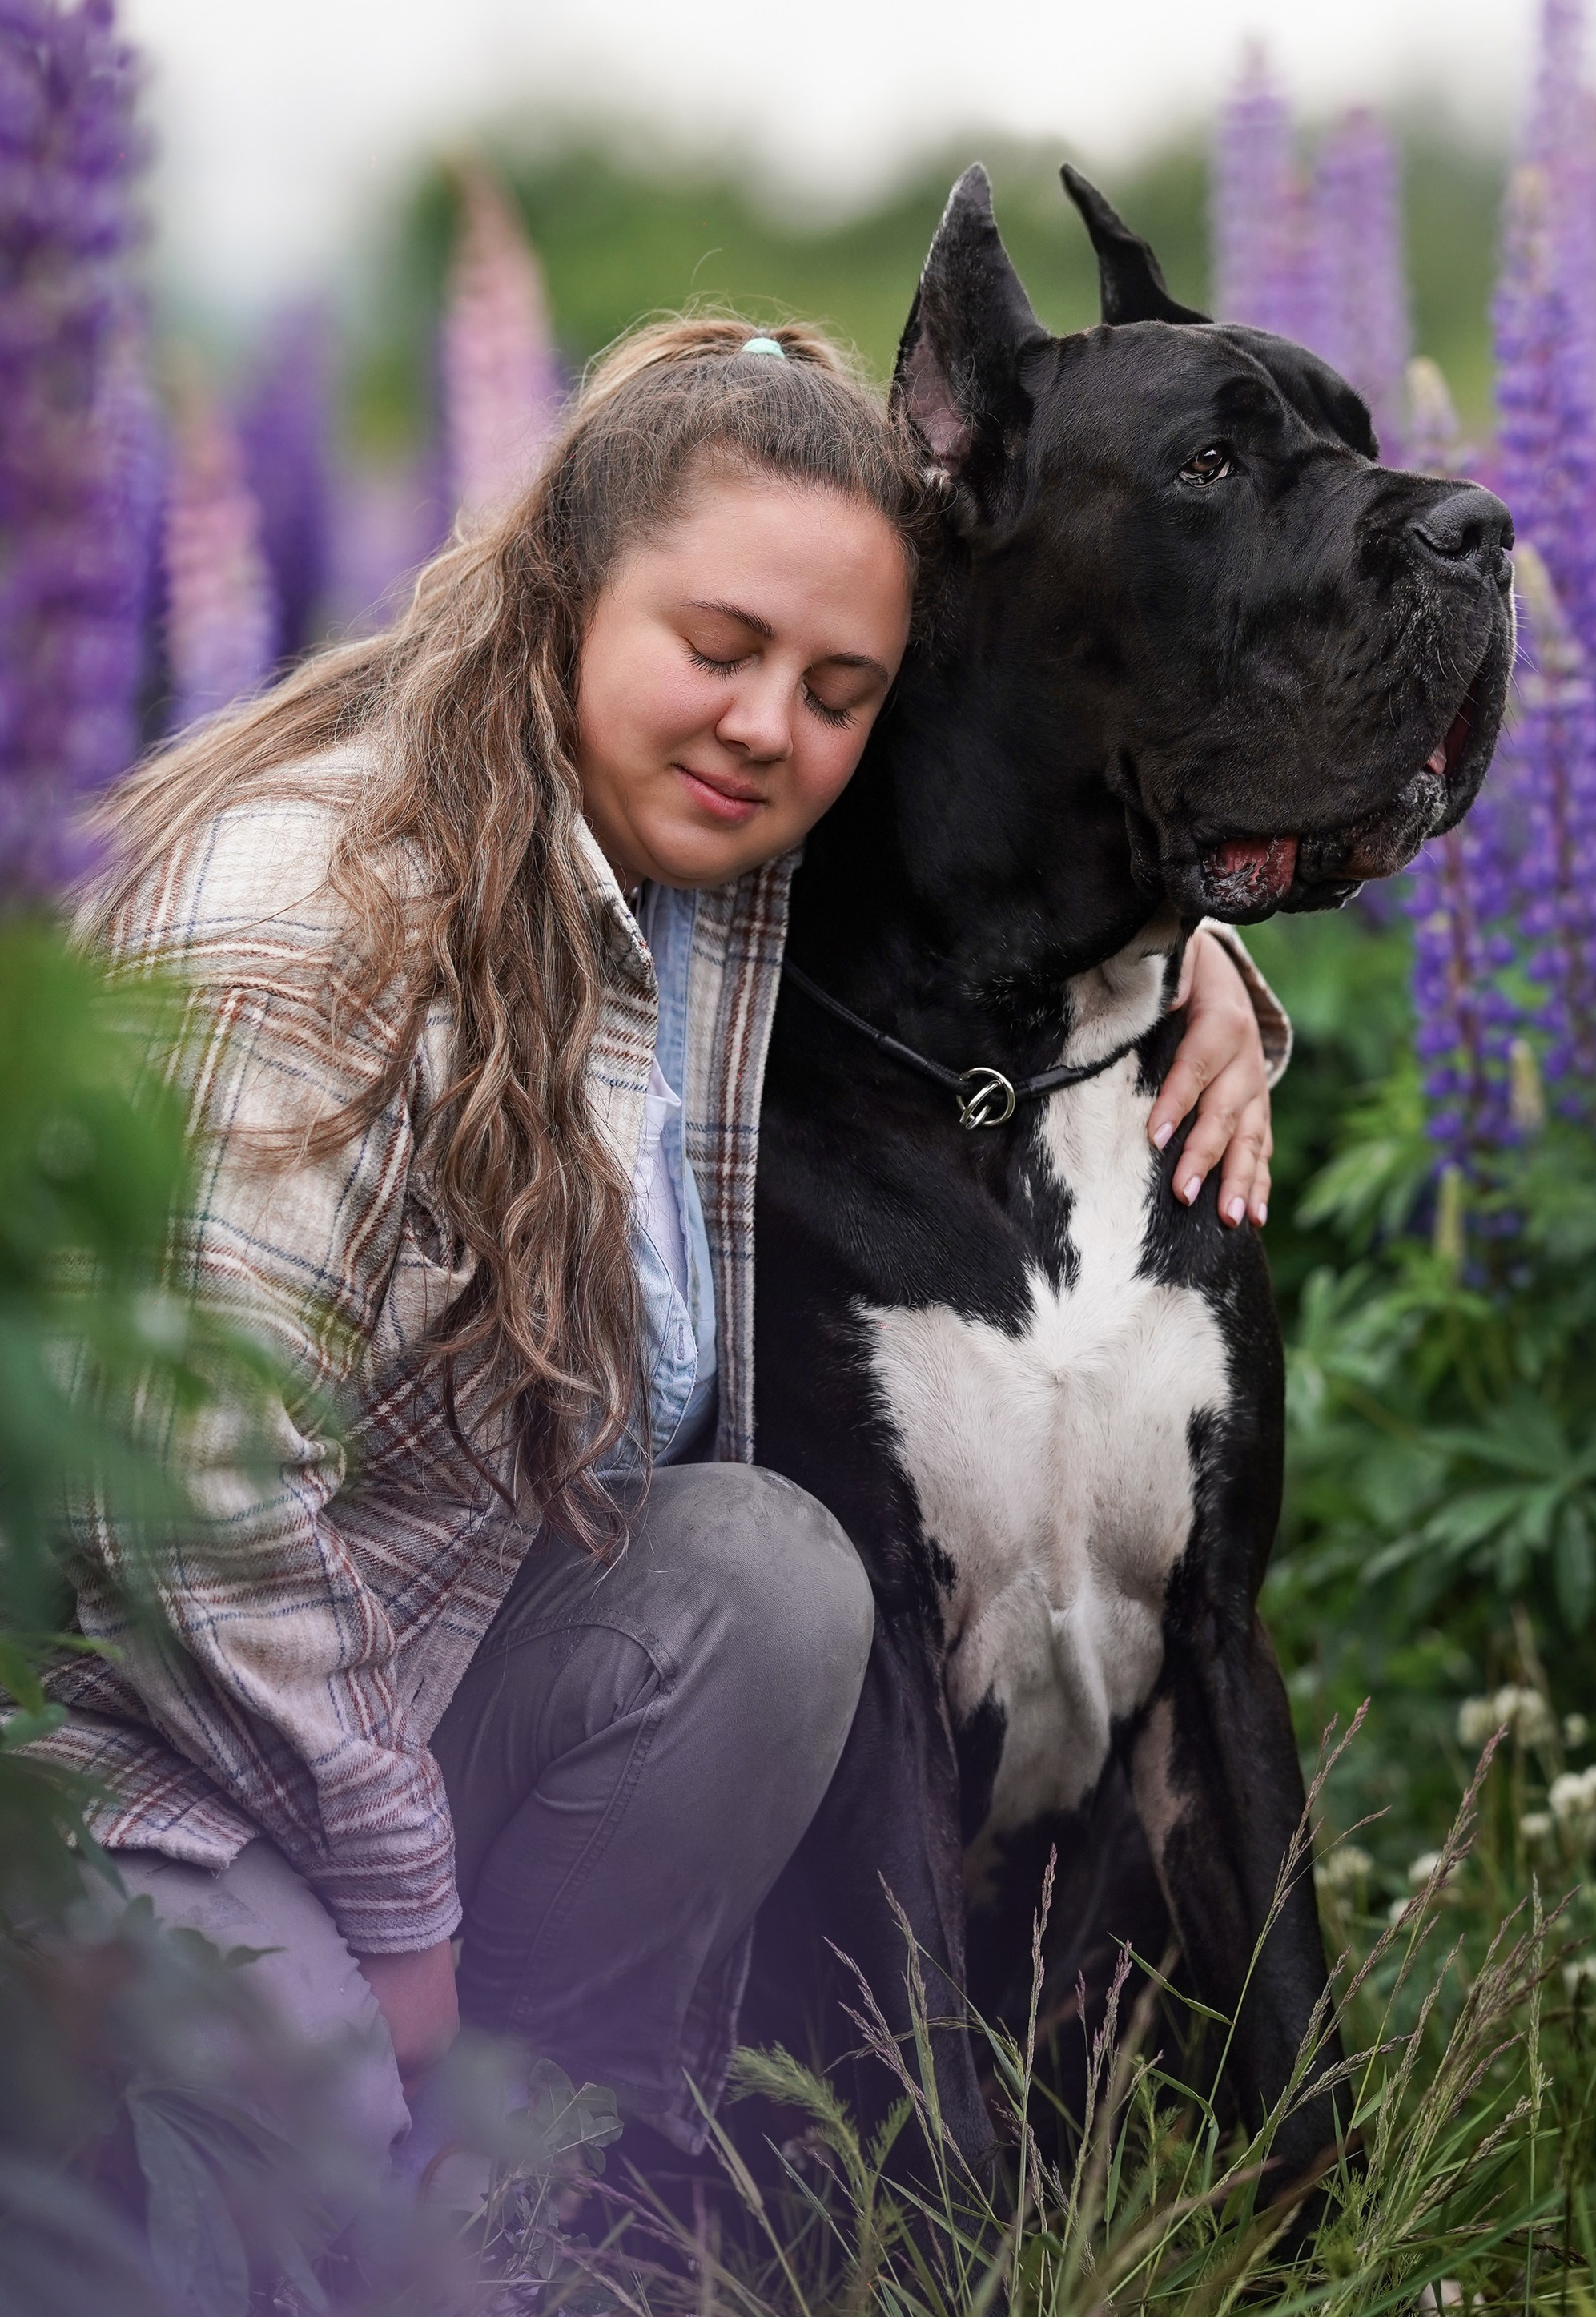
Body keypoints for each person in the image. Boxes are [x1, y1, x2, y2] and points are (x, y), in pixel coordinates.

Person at [42, 315, 1284, 2168]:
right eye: (715, 648)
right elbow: (181, 1510)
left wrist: (1203, 975)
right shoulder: (308, 916)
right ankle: (366, 2110)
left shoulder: (712, 861)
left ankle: (562, 2156)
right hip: (158, 1754)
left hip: (447, 1683)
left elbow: (990, 870)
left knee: (769, 1577)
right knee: (293, 2154)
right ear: (561, 592)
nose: (769, 724)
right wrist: (402, 1915)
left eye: (839, 687)